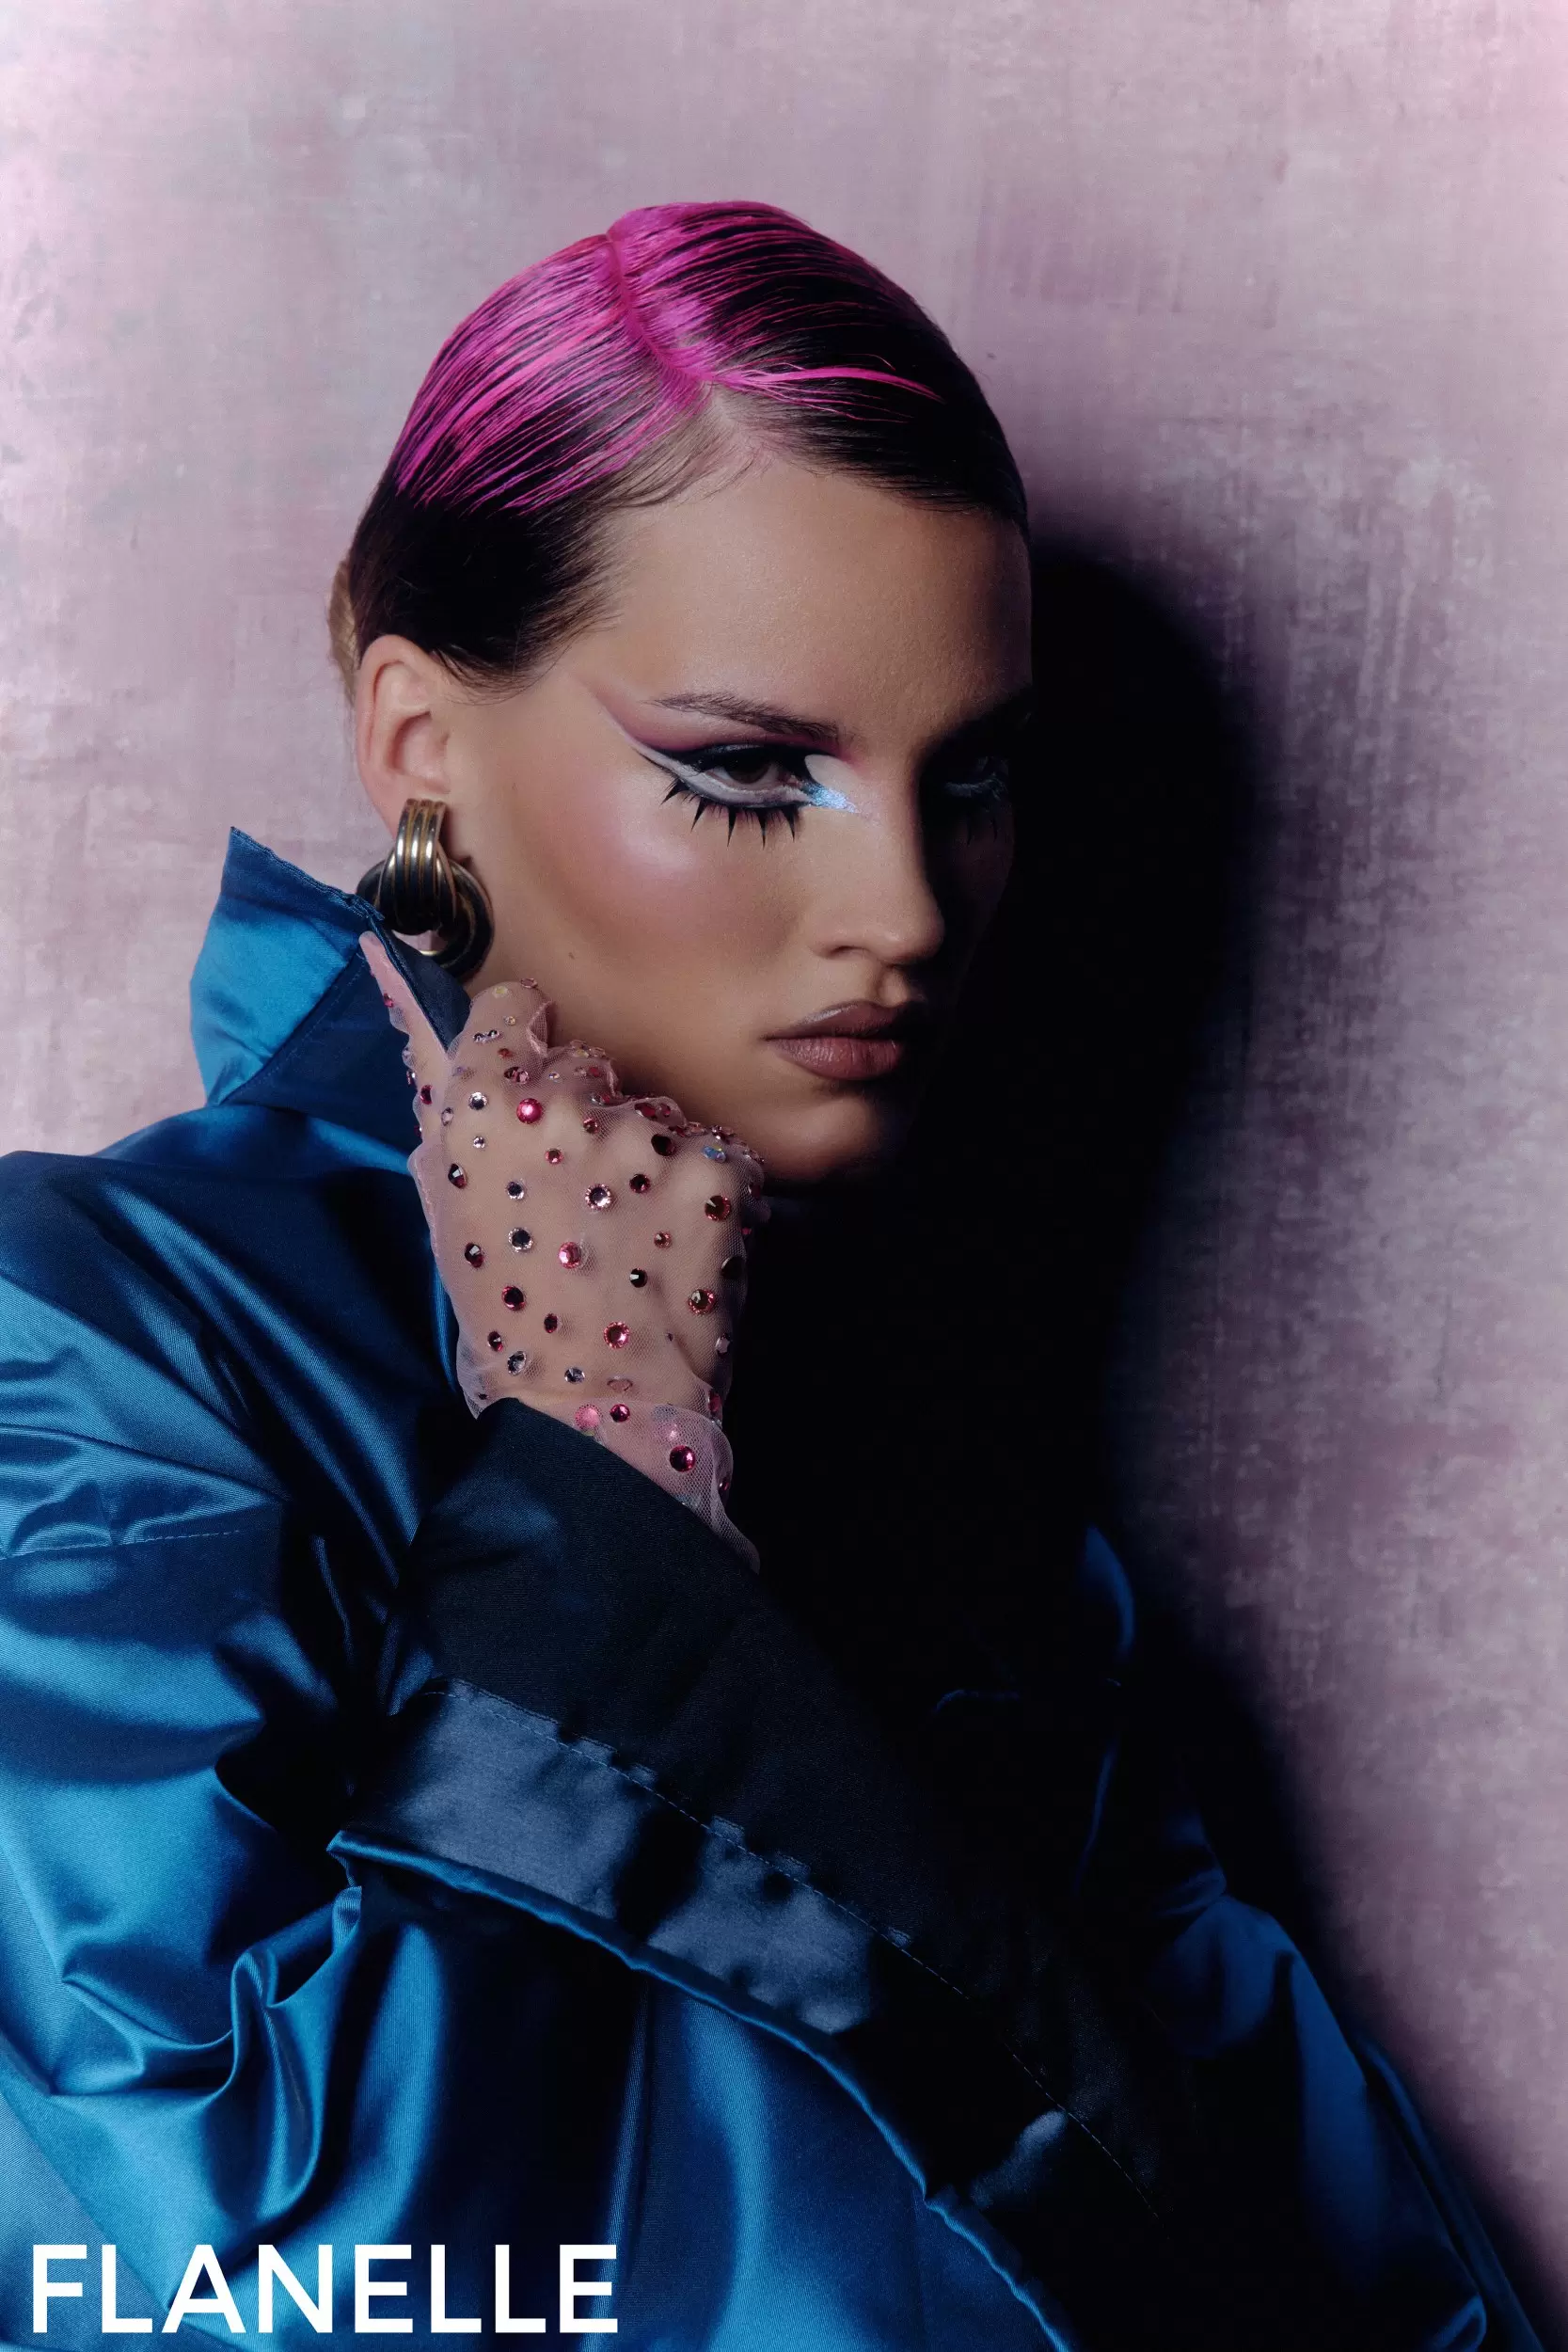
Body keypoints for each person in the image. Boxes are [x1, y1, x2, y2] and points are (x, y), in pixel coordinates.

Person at [0, 200, 1540, 2350]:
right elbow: (185, 2277)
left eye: (967, 776)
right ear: (420, 745)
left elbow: (1290, 2255)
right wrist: (598, 1477)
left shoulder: (934, 1454)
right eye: (744, 772)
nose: (902, 905)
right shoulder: (95, 1335)